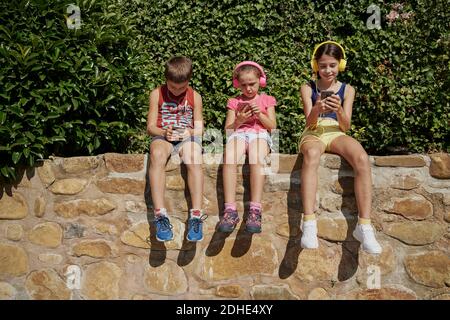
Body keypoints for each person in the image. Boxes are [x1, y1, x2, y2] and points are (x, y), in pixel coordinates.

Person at [298, 41, 382, 254]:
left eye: (333, 65)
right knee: (312, 154)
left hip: (336, 131)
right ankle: (309, 223)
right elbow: (309, 123)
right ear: (316, 65)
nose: (328, 70)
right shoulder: (308, 87)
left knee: (362, 159)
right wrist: (317, 109)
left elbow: (346, 126)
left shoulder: (348, 90)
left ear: (341, 65)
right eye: (323, 65)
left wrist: (339, 111)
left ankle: (364, 226)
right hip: (314, 131)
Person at [146, 56, 206, 242]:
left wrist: (188, 133)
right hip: (163, 136)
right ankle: (160, 216)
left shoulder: (195, 96)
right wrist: (164, 132)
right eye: (173, 87)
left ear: (189, 81)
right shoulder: (156, 94)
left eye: (182, 87)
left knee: (193, 156)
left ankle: (196, 216)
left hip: (186, 136)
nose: (178, 91)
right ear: (166, 80)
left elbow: (200, 127)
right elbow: (150, 127)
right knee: (156, 154)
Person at [218, 61, 277, 233]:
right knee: (229, 157)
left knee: (256, 157)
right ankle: (230, 210)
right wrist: (239, 120)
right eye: (243, 85)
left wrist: (260, 115)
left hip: (260, 134)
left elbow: (272, 127)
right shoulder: (234, 102)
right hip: (238, 134)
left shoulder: (267, 100)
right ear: (237, 84)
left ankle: (255, 210)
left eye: (252, 84)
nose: (248, 88)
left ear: (261, 81)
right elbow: (228, 130)